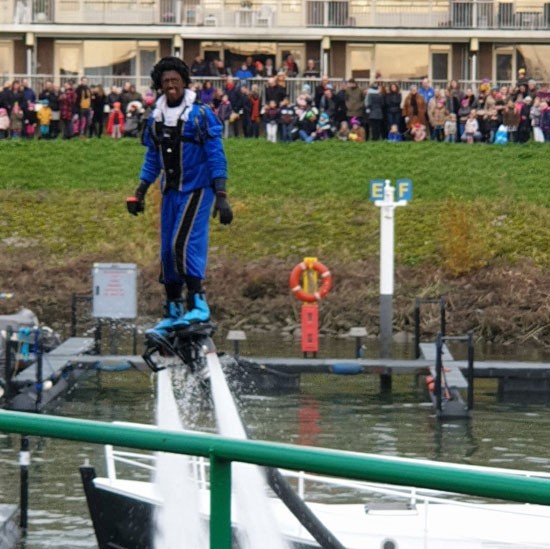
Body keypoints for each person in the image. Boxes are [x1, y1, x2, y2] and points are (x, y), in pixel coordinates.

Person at [127, 56, 233, 338]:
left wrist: (221, 194)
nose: (171, 85)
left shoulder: (200, 114)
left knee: (182, 244)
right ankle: (173, 309)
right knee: (166, 252)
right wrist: (140, 191)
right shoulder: (155, 118)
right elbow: (153, 158)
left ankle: (198, 303)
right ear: (159, 86)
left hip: (198, 189)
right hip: (171, 192)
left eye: (175, 81)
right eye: (165, 82)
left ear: (184, 83)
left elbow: (216, 154)